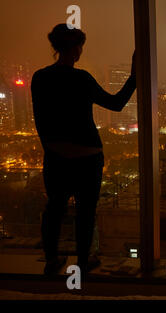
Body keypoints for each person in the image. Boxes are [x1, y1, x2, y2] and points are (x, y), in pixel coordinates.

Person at [31, 23, 136, 275]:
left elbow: (40, 121)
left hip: (57, 157)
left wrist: (54, 148)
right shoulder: (82, 79)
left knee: (54, 209)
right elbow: (117, 103)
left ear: (55, 47)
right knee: (85, 213)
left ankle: (51, 260)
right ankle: (83, 261)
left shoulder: (40, 78)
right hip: (87, 158)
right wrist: (134, 76)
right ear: (76, 49)